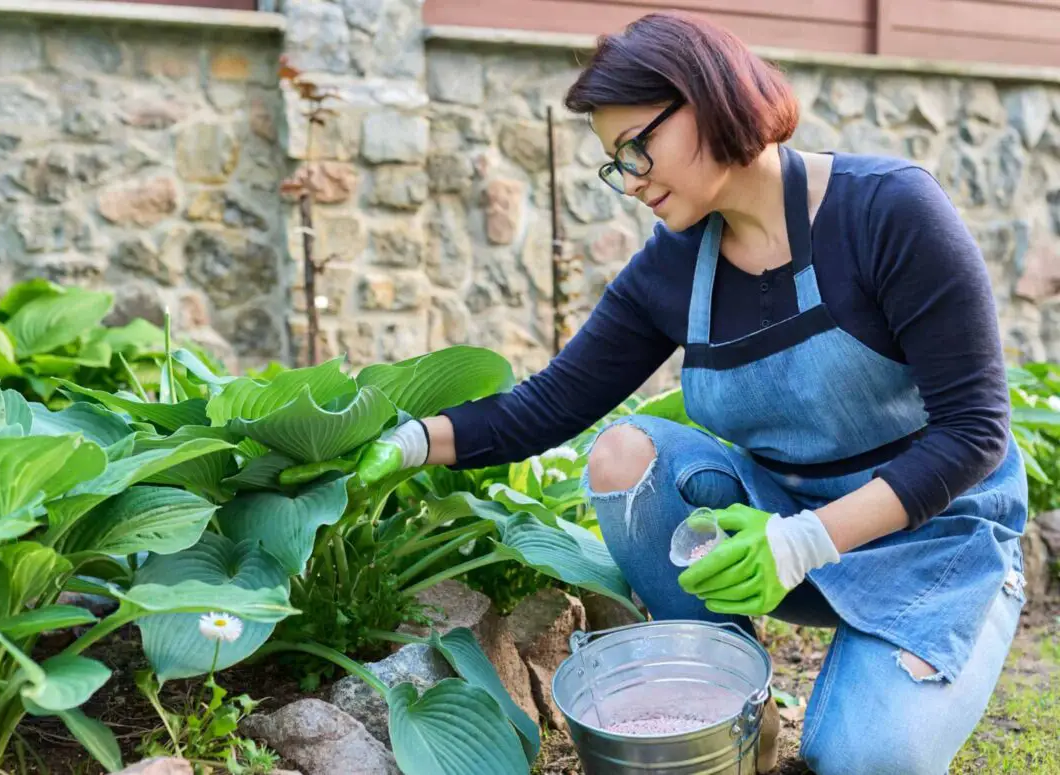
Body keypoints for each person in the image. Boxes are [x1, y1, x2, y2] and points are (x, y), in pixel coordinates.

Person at [343, 11, 1027, 775]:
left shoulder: (887, 211)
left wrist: (801, 540)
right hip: (784, 539)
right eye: (614, 161)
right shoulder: (673, 268)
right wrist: (404, 439)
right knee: (625, 458)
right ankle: (741, 716)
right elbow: (544, 408)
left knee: (863, 761)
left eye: (638, 146)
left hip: (939, 545)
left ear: (708, 97)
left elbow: (974, 433)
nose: (630, 179)